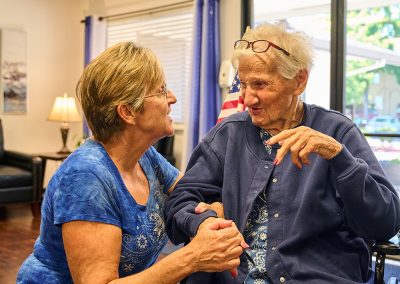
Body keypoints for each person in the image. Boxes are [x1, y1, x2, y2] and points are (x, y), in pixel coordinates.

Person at [165, 23, 400, 284]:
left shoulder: (337, 132)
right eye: (243, 84)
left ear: (299, 80)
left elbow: (385, 222)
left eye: (260, 85)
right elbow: (180, 200)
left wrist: (339, 158)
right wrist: (204, 221)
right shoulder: (228, 134)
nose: (248, 98)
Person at [17, 42, 244, 283]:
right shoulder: (86, 177)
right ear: (127, 112)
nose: (172, 98)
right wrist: (192, 258)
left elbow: (189, 194)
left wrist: (213, 208)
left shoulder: (145, 157)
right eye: (161, 90)